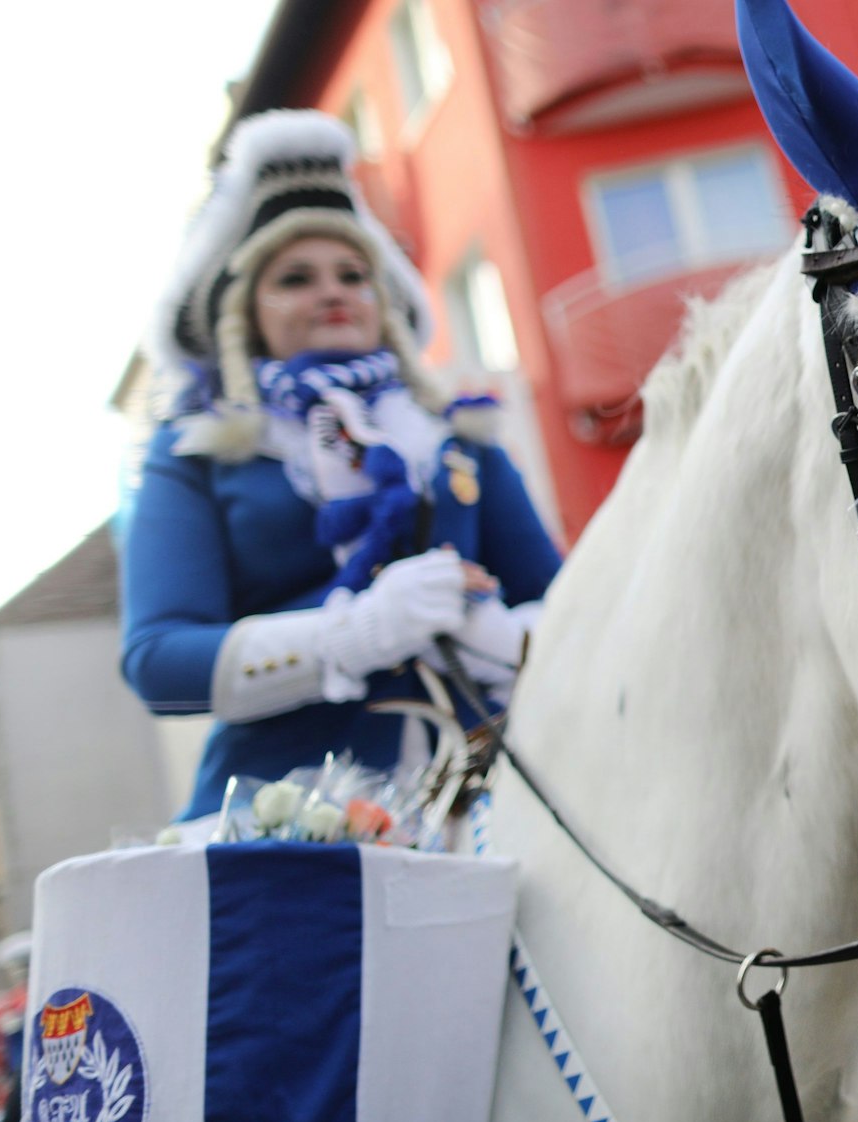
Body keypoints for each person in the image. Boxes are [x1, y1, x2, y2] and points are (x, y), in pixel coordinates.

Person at [120, 110, 561, 820]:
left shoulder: (458, 441)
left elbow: (567, 603)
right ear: (245, 315)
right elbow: (159, 663)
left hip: (492, 805)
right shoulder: (195, 456)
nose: (333, 291)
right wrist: (356, 631)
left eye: (354, 274)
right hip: (281, 815)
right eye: (295, 278)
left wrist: (503, 636)